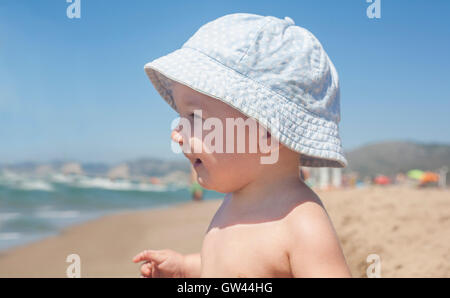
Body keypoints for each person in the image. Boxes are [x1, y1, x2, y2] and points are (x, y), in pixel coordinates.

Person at [133, 13, 351, 277]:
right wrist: (186, 268)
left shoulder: (301, 224)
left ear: (267, 134)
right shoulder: (233, 203)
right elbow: (229, 265)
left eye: (195, 117)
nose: (177, 133)